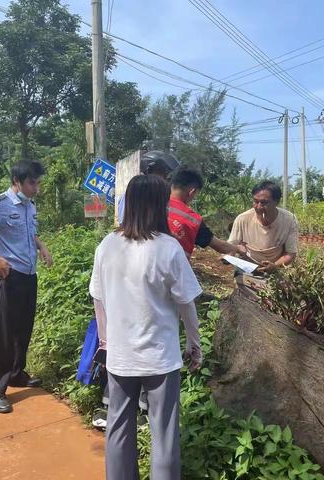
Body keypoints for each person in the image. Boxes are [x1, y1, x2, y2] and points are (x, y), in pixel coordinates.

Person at [90, 174, 203, 480]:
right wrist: (195, 343)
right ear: (159, 206)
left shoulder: (107, 245)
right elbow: (186, 305)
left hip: (120, 355)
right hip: (160, 358)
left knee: (118, 428)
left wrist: (105, 342)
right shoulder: (168, 248)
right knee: (163, 433)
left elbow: (98, 299)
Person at [0, 160, 53, 414]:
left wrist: (42, 247)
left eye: (38, 182)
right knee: (3, 334)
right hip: (9, 277)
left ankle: (17, 374)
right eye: (31, 183)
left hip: (29, 275)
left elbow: (29, 233)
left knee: (23, 329)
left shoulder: (28, 205)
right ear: (17, 181)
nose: (36, 188)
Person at [168, 166, 246, 259]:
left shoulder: (152, 202)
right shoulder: (193, 220)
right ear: (192, 191)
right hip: (172, 271)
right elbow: (221, 246)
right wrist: (237, 248)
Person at [228, 181, 299, 273]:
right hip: (247, 268)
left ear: (276, 202)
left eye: (264, 202)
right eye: (255, 201)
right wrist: (228, 256)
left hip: (275, 269)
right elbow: (231, 246)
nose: (258, 207)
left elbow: (290, 254)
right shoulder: (242, 219)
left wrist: (275, 266)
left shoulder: (290, 220)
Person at [117, 150, 180, 224]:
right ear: (148, 171)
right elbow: (124, 225)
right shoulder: (130, 196)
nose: (166, 177)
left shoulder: (162, 196)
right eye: (162, 172)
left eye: (166, 173)